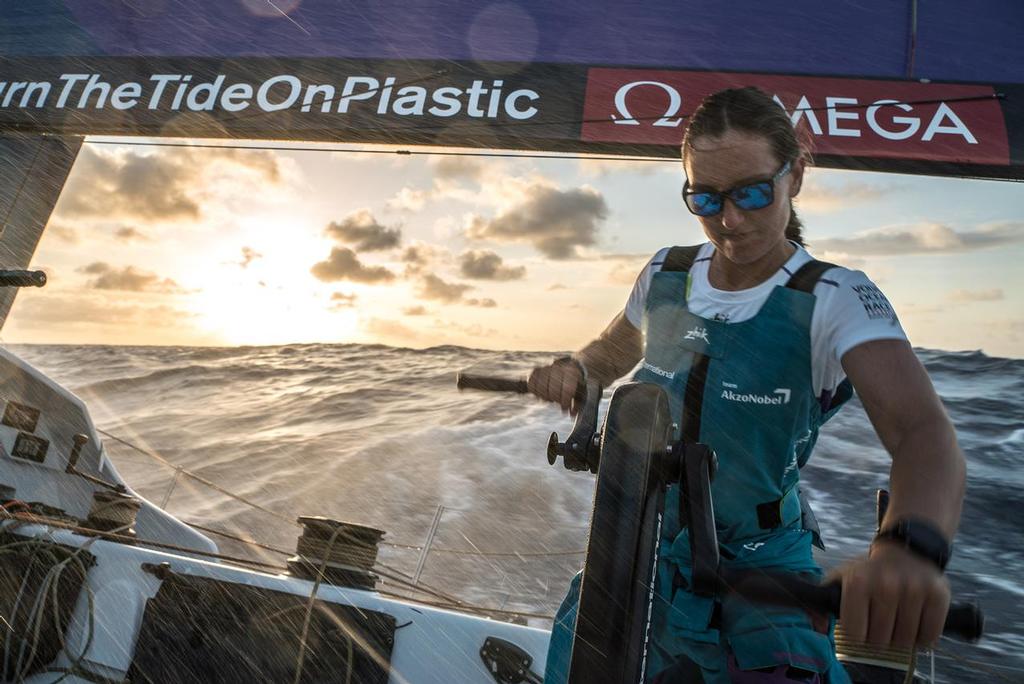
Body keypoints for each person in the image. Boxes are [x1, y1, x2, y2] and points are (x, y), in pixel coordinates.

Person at [529, 87, 966, 683]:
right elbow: (607, 353)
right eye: (704, 198)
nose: (730, 221)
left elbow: (922, 435)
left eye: (754, 194)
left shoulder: (835, 300)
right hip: (635, 546)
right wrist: (576, 370)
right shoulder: (666, 272)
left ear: (797, 175)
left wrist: (908, 550)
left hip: (762, 565)